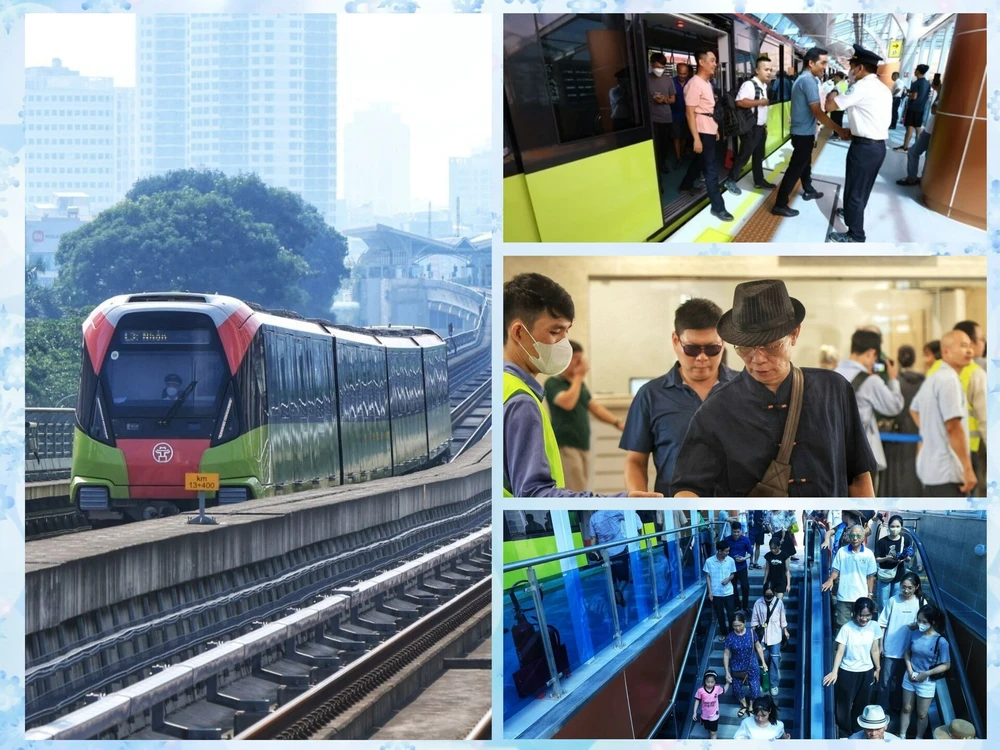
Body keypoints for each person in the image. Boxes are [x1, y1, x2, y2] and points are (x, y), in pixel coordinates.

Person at [671, 279, 878, 497]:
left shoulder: (834, 390)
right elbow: (688, 489)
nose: (758, 359)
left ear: (795, 334)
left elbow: (858, 475)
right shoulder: (715, 410)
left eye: (771, 346)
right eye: (746, 348)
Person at [502, 273, 661, 498]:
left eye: (566, 332)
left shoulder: (502, 385)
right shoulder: (523, 399)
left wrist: (618, 422)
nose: (562, 344)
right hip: (568, 448)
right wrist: (619, 502)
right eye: (555, 332)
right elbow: (534, 495)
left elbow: (593, 406)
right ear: (519, 332)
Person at [621, 298, 734, 495]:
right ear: (676, 341)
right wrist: (640, 498)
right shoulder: (651, 395)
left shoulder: (744, 389)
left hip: (735, 509)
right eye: (691, 349)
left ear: (723, 342)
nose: (702, 358)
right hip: (676, 509)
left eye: (712, 349)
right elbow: (636, 461)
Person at [826, 45, 892, 243]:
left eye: (851, 67)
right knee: (862, 188)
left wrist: (836, 89)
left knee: (855, 190)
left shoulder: (861, 86)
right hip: (878, 147)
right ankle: (850, 213)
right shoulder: (882, 87)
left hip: (864, 148)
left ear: (860, 68)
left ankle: (856, 235)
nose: (850, 71)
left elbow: (830, 106)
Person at [772, 47, 847, 218]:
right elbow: (818, 112)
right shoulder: (808, 81)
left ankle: (808, 189)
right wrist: (839, 129)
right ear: (811, 63)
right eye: (822, 63)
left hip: (803, 131)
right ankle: (780, 204)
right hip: (803, 133)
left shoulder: (805, 79)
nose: (825, 67)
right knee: (795, 168)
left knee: (805, 163)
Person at [543, 341, 624, 491]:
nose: (580, 363)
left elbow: (595, 408)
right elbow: (568, 403)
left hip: (582, 444)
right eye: (576, 359)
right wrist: (579, 377)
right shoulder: (553, 383)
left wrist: (617, 423)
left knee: (582, 487)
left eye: (581, 359)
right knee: (574, 490)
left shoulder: (578, 385)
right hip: (566, 445)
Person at [834, 329, 905, 491]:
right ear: (871, 353)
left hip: (835, 453)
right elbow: (894, 406)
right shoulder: (870, 381)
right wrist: (893, 379)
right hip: (862, 457)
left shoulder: (832, 373)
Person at [910, 330, 977, 496]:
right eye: (963, 346)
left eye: (970, 345)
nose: (969, 350)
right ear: (946, 351)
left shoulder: (933, 378)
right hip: (947, 471)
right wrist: (968, 470)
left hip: (930, 471)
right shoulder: (949, 380)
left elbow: (913, 409)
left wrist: (930, 432)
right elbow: (953, 427)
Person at [678, 49, 733, 221]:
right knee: (710, 169)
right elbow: (690, 113)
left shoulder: (707, 83)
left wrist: (714, 128)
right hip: (701, 131)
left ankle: (685, 185)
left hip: (708, 128)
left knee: (700, 160)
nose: (715, 64)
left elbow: (707, 110)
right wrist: (696, 138)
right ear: (701, 62)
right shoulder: (695, 83)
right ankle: (718, 207)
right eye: (712, 60)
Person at [824, 597, 883, 737]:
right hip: (847, 671)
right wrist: (834, 671)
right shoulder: (847, 628)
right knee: (843, 706)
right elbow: (840, 651)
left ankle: (858, 732)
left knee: (861, 704)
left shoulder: (874, 626)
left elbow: (874, 649)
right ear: (854, 613)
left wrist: (878, 668)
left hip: (866, 671)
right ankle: (844, 733)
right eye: (861, 615)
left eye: (868, 615)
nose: (864, 619)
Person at [877, 571, 926, 726]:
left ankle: (898, 708)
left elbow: (927, 625)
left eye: (909, 587)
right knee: (885, 682)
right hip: (891, 649)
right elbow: (882, 624)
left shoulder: (921, 603)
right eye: (903, 587)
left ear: (916, 587)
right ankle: (882, 710)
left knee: (902, 683)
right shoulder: (893, 600)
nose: (905, 590)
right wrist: (880, 645)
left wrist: (917, 626)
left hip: (910, 652)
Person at [724, 54, 776, 194]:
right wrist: (760, 102)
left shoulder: (764, 86)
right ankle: (730, 180)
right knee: (744, 156)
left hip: (760, 128)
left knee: (758, 155)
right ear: (757, 70)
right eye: (766, 69)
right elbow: (739, 102)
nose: (769, 72)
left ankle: (759, 181)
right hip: (750, 129)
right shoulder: (749, 85)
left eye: (770, 70)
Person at [899, 603, 951, 739]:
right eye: (919, 620)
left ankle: (918, 738)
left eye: (924, 621)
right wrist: (910, 671)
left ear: (932, 622)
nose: (920, 624)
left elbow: (946, 664)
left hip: (927, 680)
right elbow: (907, 652)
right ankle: (902, 736)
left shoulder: (941, 641)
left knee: (922, 713)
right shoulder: (914, 634)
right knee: (906, 708)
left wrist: (927, 674)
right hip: (910, 675)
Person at [823, 525, 877, 627]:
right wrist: (830, 579)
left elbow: (870, 577)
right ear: (849, 536)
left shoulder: (868, 554)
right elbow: (835, 570)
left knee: (860, 626)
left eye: (858, 535)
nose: (855, 538)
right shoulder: (842, 551)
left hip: (861, 597)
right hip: (844, 597)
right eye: (852, 535)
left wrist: (870, 595)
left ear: (863, 537)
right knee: (843, 627)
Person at [584, 509, 633, 609]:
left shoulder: (593, 518)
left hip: (605, 552)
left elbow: (593, 538)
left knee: (612, 577)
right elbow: (629, 516)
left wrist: (593, 551)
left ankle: (616, 601)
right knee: (625, 578)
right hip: (619, 549)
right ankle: (618, 591)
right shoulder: (613, 511)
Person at [724, 611, 769, 716]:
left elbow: (758, 647)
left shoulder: (752, 633)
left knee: (755, 688)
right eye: (734, 626)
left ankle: (751, 705)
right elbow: (726, 655)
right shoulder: (730, 637)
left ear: (744, 622)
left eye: (739, 625)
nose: (737, 628)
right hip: (736, 666)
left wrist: (763, 662)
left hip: (751, 664)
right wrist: (726, 671)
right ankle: (744, 704)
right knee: (736, 689)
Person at [751, 581, 790, 696]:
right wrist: (753, 633)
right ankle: (764, 681)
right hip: (762, 637)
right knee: (764, 659)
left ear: (773, 593)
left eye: (770, 594)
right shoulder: (758, 603)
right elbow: (754, 620)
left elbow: (782, 618)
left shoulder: (779, 603)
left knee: (773, 660)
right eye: (766, 594)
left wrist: (785, 630)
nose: (768, 597)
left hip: (776, 636)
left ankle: (774, 684)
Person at [896, 83, 939, 187]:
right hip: (931, 127)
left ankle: (912, 178)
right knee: (927, 154)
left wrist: (939, 92)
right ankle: (922, 178)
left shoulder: (917, 84)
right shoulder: (925, 85)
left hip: (931, 129)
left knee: (914, 151)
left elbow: (934, 109)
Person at [648, 52, 677, 190]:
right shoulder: (646, 79)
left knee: (665, 145)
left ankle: (663, 164)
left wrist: (664, 100)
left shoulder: (668, 80)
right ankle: (655, 169)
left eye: (661, 67)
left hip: (665, 117)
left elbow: (673, 99)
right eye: (656, 66)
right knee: (654, 146)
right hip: (651, 118)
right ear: (651, 65)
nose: (659, 69)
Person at [874, 515, 914, 609]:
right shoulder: (882, 542)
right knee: (883, 604)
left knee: (895, 603)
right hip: (884, 575)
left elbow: (909, 559)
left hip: (898, 575)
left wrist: (906, 557)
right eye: (892, 526)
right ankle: (882, 622)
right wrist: (886, 558)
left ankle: (892, 621)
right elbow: (876, 558)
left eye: (897, 526)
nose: (894, 529)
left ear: (901, 527)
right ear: (888, 527)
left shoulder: (905, 540)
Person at [705, 540, 737, 641]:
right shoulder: (709, 561)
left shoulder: (730, 560)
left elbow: (733, 574)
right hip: (716, 593)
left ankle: (732, 633)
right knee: (720, 615)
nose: (728, 553)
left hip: (728, 592)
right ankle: (724, 633)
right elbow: (708, 577)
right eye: (726, 551)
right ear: (719, 551)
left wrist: (728, 579)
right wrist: (710, 592)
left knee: (731, 614)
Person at [895, 64, 931, 153]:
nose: (914, 71)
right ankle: (917, 148)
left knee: (909, 129)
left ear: (918, 71)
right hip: (921, 108)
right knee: (918, 128)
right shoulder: (927, 83)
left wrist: (907, 94)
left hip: (913, 108)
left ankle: (905, 147)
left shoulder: (916, 82)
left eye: (915, 70)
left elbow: (914, 96)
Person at [727, 521, 754, 612]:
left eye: (738, 532)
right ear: (731, 531)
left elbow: (750, 552)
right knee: (733, 587)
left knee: (745, 586)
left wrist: (744, 558)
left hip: (742, 567)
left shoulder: (745, 540)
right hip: (731, 568)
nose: (736, 534)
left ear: (741, 531)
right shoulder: (727, 540)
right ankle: (737, 605)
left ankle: (745, 605)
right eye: (734, 532)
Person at [692, 669, 727, 739]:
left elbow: (724, 690)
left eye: (712, 682)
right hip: (705, 715)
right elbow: (697, 701)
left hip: (714, 715)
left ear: (715, 682)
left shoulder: (717, 688)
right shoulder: (700, 690)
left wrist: (728, 683)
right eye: (708, 682)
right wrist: (694, 712)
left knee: (713, 732)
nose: (710, 684)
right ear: (704, 681)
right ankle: (710, 730)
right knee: (708, 729)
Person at [671, 62, 692, 162]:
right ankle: (678, 157)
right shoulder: (672, 82)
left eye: (684, 73)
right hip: (674, 114)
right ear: (677, 71)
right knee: (676, 136)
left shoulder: (691, 83)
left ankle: (682, 152)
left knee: (684, 136)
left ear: (688, 73)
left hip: (687, 114)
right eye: (680, 73)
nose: (682, 76)